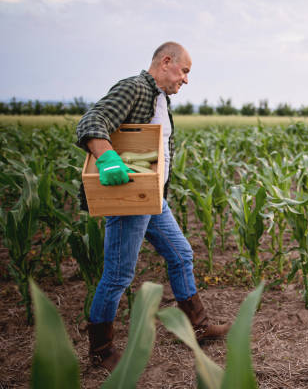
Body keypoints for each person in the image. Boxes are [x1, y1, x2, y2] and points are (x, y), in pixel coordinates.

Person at [76, 42, 230, 371]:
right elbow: (93, 121)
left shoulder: (161, 99)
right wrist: (107, 158)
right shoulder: (134, 88)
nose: (186, 79)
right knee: (118, 276)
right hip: (130, 199)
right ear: (166, 61)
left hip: (153, 198)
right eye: (184, 71)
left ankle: (197, 326)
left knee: (181, 253)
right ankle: (100, 350)